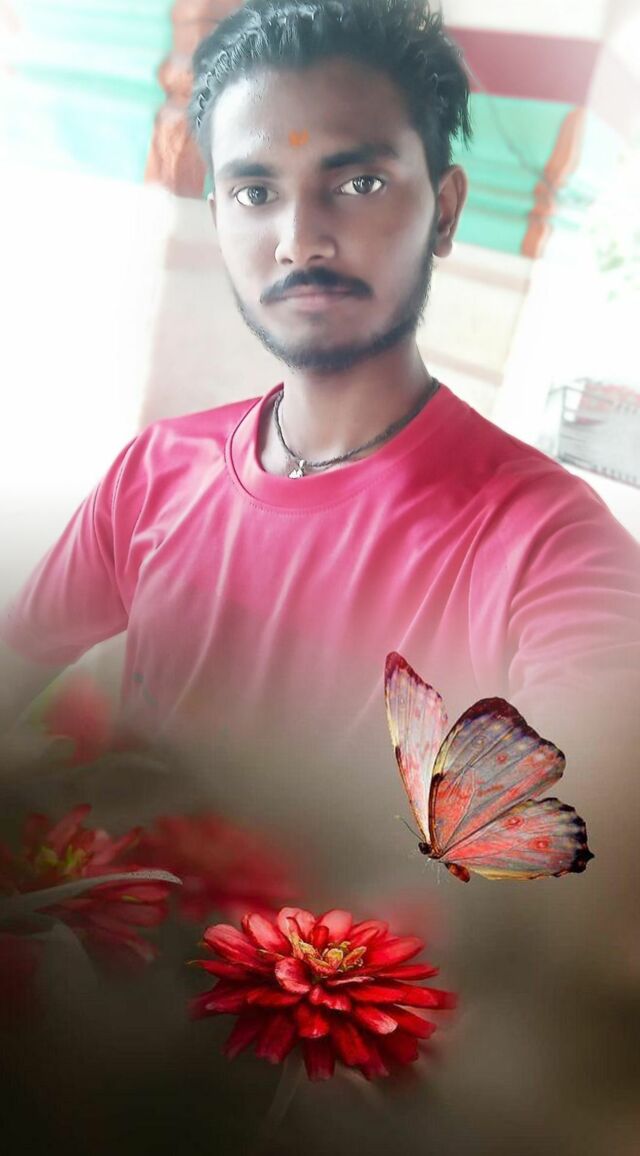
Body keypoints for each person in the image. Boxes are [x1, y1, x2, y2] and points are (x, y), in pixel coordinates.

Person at [1, 4, 639, 1152]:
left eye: (357, 182)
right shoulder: (154, 472)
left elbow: (576, 880)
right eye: (254, 189)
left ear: (445, 209)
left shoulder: (554, 545)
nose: (299, 235)